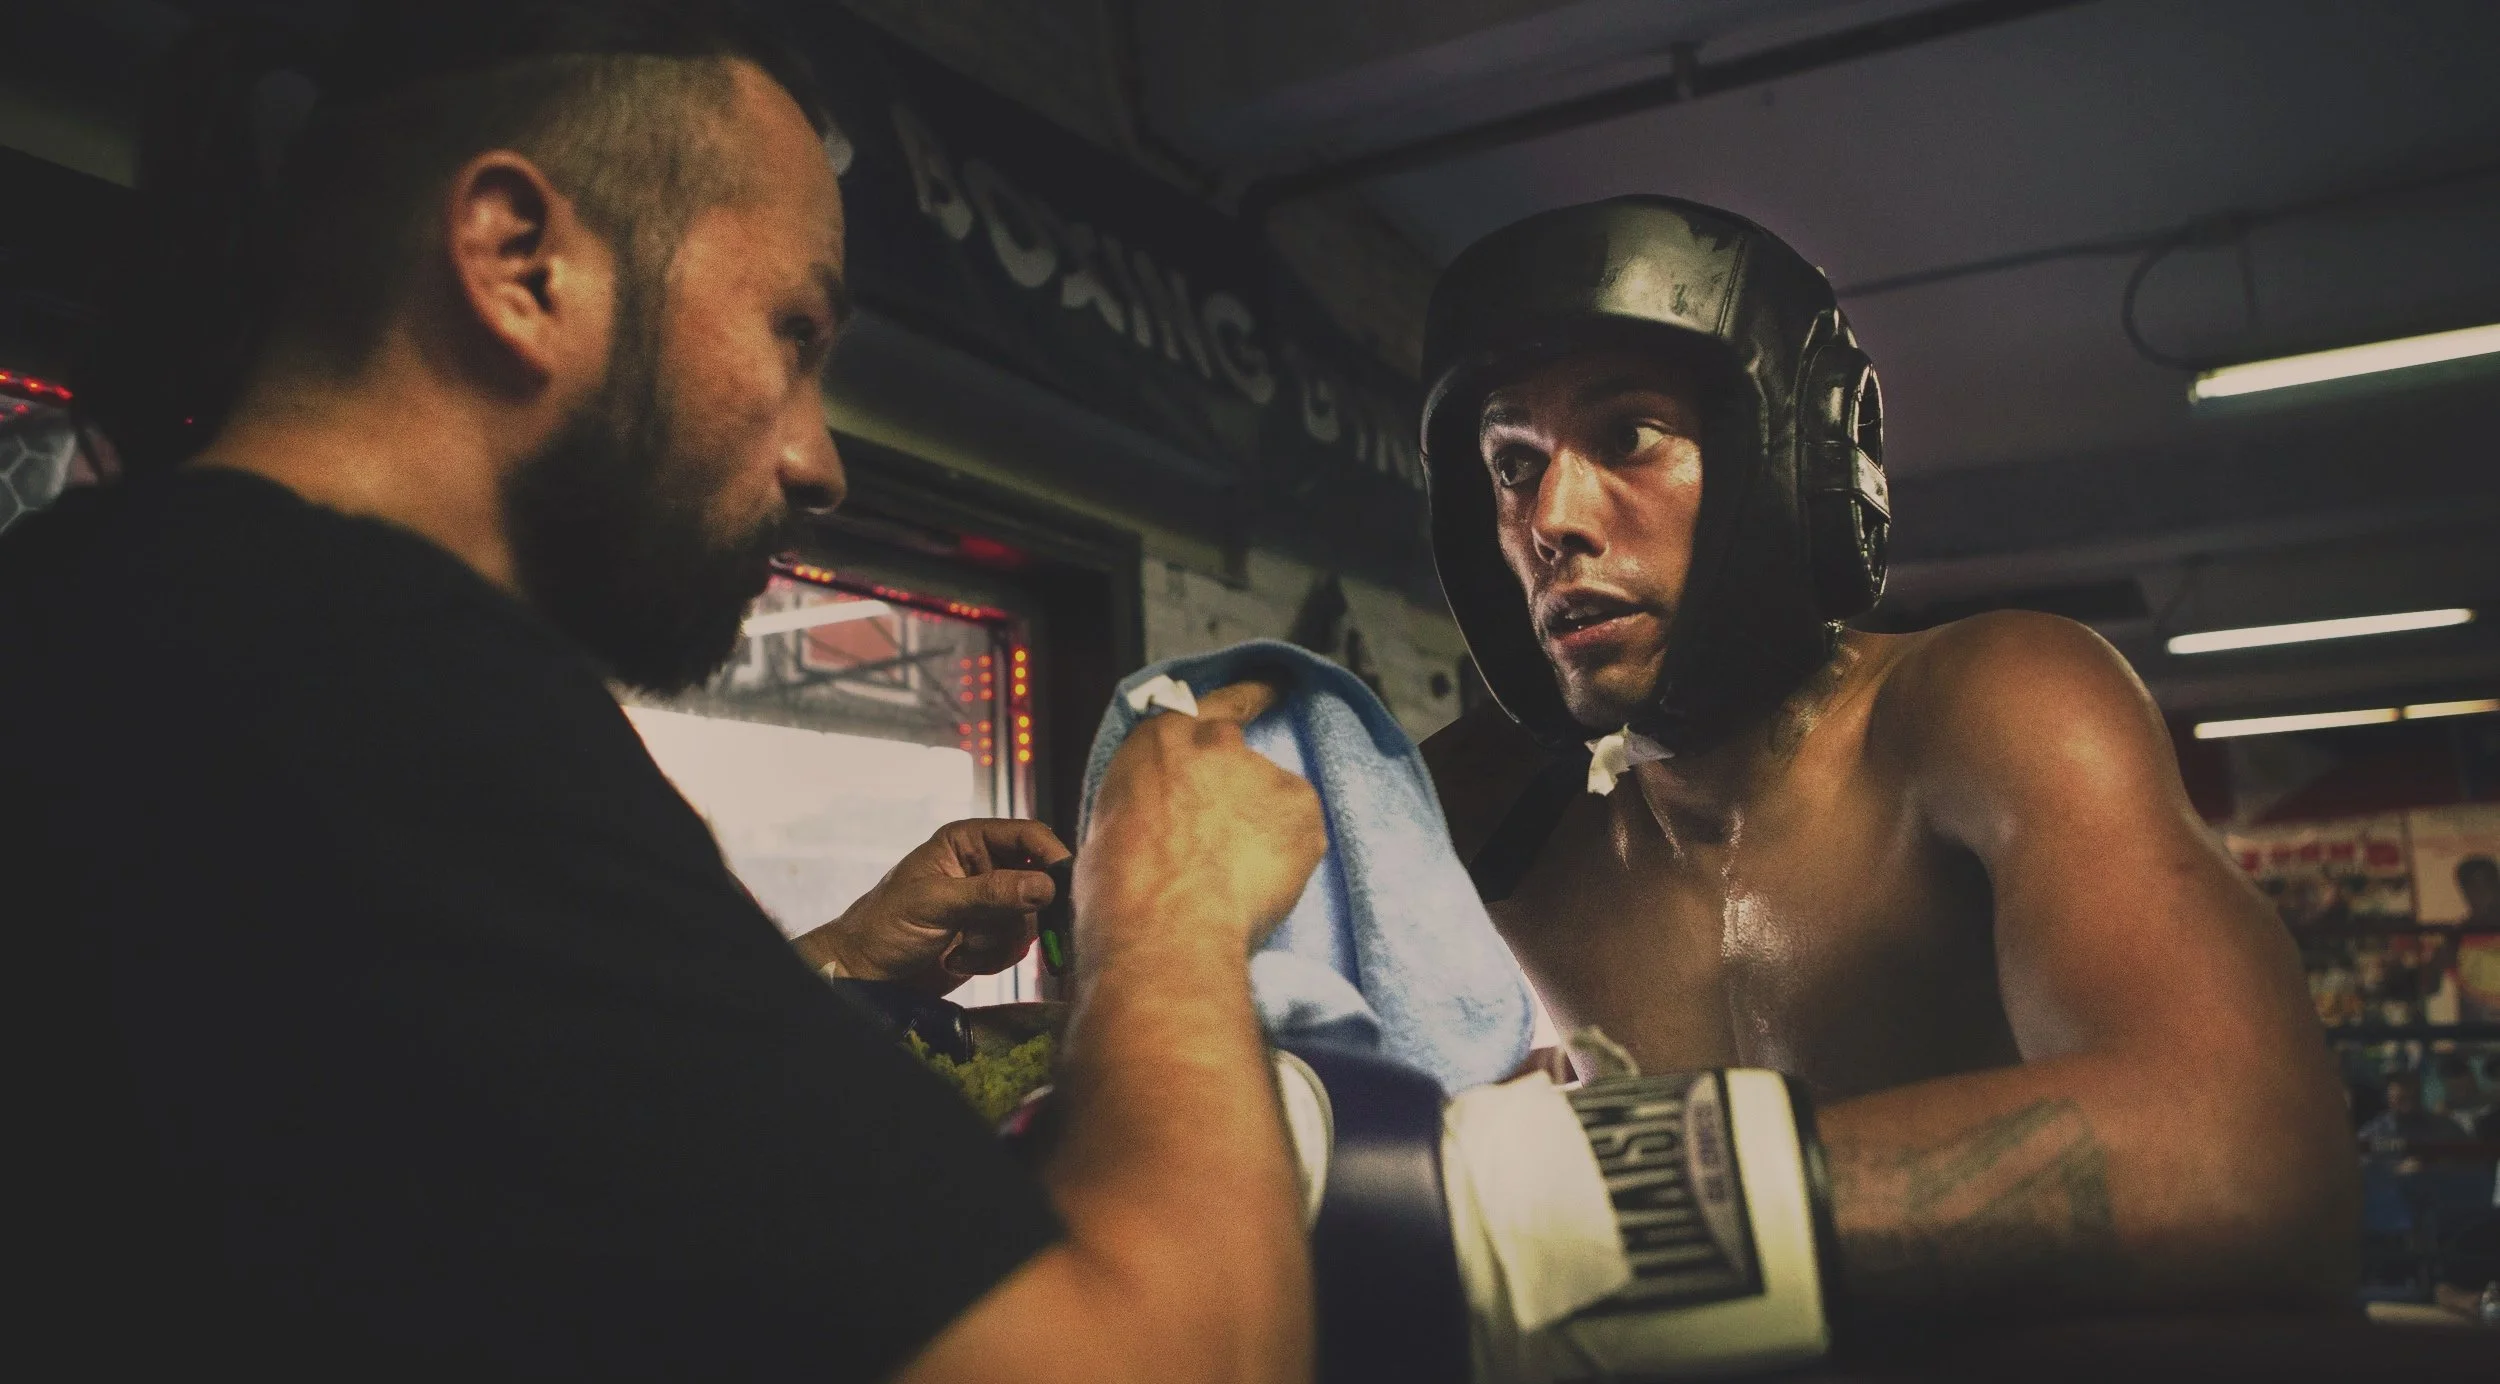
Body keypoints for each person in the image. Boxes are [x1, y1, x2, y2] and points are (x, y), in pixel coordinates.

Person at [4, 5, 1324, 1378]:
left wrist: (840, 963)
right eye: (793, 331)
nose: (822, 463)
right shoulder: (364, 688)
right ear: (524, 264)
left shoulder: (125, 614)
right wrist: (1169, 907)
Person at [1416, 196, 2358, 1328]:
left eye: (1627, 435)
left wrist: (1569, 1203)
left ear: (1788, 456)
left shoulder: (1984, 703)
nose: (1550, 517)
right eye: (1512, 463)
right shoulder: (1502, 815)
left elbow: (2244, 1154)